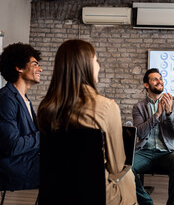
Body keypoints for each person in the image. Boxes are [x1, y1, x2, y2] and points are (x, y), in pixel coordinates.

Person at [37, 39, 136, 205]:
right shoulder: (106, 107)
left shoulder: (45, 108)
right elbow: (117, 166)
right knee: (128, 176)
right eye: (96, 60)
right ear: (85, 65)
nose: (99, 66)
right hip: (95, 195)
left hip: (56, 193)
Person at [132, 68, 174, 205]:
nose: (159, 81)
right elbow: (140, 132)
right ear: (146, 85)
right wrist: (156, 115)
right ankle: (146, 202)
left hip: (167, 153)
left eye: (160, 78)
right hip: (145, 152)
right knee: (126, 167)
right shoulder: (138, 107)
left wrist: (169, 114)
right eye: (154, 79)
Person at [0, 43, 42, 190]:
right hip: (15, 169)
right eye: (35, 64)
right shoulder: (6, 99)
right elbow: (12, 145)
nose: (40, 69)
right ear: (19, 68)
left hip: (28, 162)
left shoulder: (25, 100)